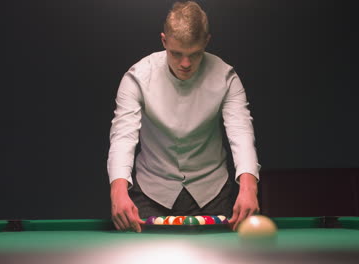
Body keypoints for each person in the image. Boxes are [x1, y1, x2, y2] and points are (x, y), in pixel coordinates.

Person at [107, 1, 260, 233]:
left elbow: (241, 132)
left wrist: (249, 188)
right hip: (151, 195)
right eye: (176, 53)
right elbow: (123, 137)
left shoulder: (227, 77)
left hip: (213, 194)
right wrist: (117, 191)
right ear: (164, 40)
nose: (185, 63)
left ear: (206, 42)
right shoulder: (137, 77)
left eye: (194, 54)